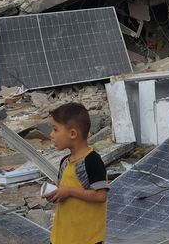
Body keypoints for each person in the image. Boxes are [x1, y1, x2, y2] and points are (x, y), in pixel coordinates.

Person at [44, 103, 108, 244]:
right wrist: (56, 194)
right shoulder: (64, 162)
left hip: (86, 239)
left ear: (72, 133)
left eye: (55, 130)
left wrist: (69, 191)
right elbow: (65, 190)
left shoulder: (91, 161)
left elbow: (100, 195)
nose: (51, 135)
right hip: (62, 236)